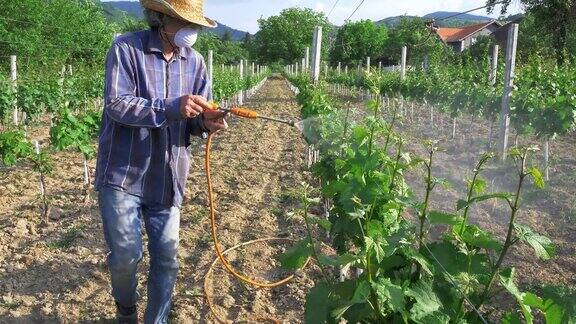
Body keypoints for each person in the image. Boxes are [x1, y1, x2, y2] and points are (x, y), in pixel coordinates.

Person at [94, 0, 226, 323]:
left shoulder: (195, 63)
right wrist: (170, 107)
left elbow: (193, 120)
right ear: (161, 18)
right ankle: (126, 310)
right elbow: (117, 104)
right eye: (184, 22)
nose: (191, 31)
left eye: (194, 23)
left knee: (167, 258)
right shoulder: (126, 49)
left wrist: (207, 122)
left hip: (167, 178)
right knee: (125, 255)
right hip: (123, 173)